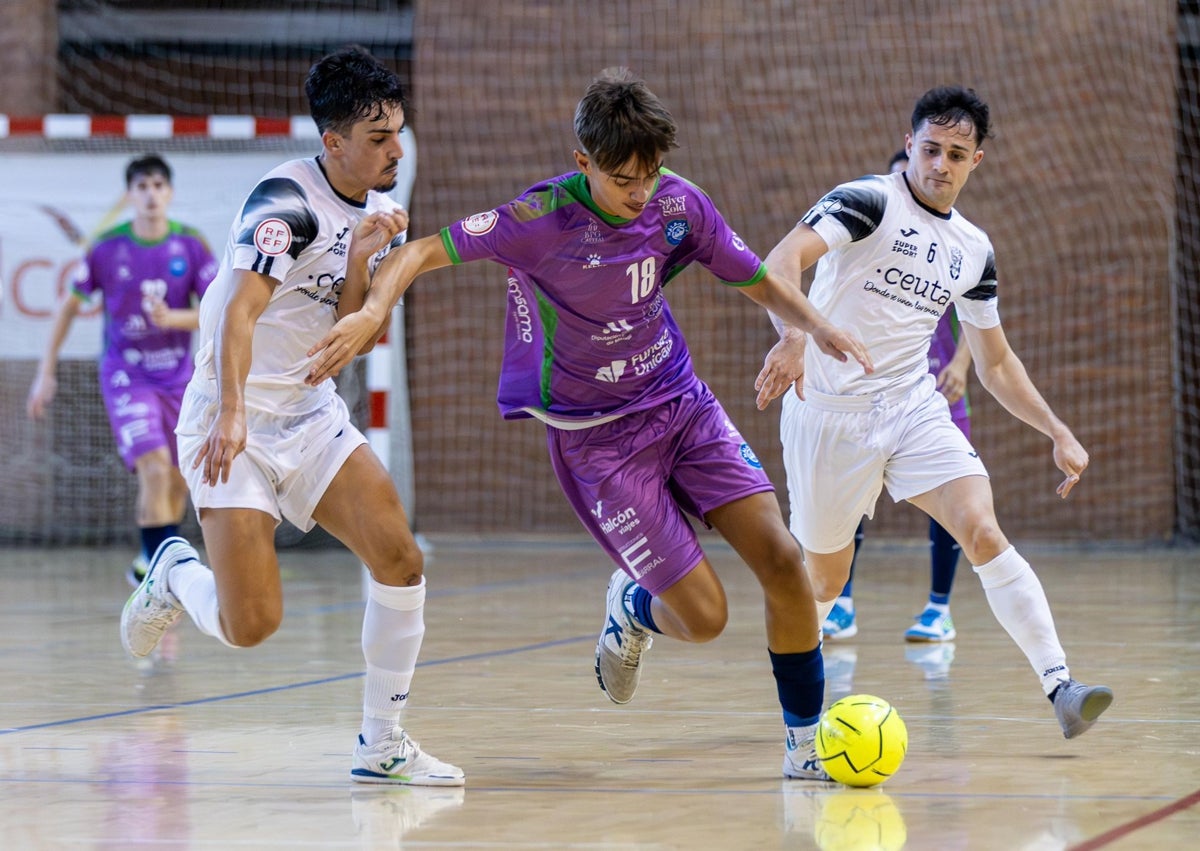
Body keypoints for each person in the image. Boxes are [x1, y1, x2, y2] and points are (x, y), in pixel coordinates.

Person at [304, 67, 874, 780]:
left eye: (650, 174)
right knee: (704, 618)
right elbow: (420, 253)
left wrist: (813, 327)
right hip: (597, 441)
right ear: (584, 163)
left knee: (786, 562)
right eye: (622, 178)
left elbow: (751, 273)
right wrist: (370, 309)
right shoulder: (537, 220)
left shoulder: (678, 204)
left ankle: (805, 747)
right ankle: (633, 604)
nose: (640, 192)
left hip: (680, 404)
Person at [119, 46, 463, 786]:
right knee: (252, 625)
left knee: (401, 559)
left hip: (308, 413)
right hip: (231, 418)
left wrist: (366, 264)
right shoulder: (283, 204)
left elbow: (339, 337)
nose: (395, 149)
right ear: (333, 142)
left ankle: (383, 741)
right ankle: (174, 571)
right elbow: (236, 315)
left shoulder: (380, 213)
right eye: (378, 138)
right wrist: (234, 414)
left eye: (398, 131)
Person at [756, 85, 1112, 739]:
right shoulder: (865, 201)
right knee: (822, 583)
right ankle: (789, 695)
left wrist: (1057, 428)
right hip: (828, 415)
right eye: (930, 149)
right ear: (910, 141)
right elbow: (779, 261)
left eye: (956, 153)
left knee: (980, 524)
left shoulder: (974, 249)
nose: (939, 165)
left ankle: (1060, 685)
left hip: (912, 406)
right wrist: (795, 335)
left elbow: (997, 362)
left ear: (977, 160)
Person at [27, 154, 217, 585]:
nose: (150, 194)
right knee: (152, 465)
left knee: (175, 480)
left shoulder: (190, 244)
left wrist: (174, 319)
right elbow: (68, 307)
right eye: (141, 186)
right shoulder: (107, 248)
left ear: (169, 193)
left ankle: (146, 559)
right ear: (130, 195)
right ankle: (160, 574)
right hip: (126, 377)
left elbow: (216, 310)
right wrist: (46, 372)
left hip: (179, 378)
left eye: (157, 185)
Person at [821, 147, 973, 644]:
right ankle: (839, 601)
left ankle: (939, 608)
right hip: (866, 391)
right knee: (851, 495)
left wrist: (960, 365)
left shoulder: (951, 247)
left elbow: (978, 319)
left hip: (933, 388)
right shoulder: (868, 228)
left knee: (956, 498)